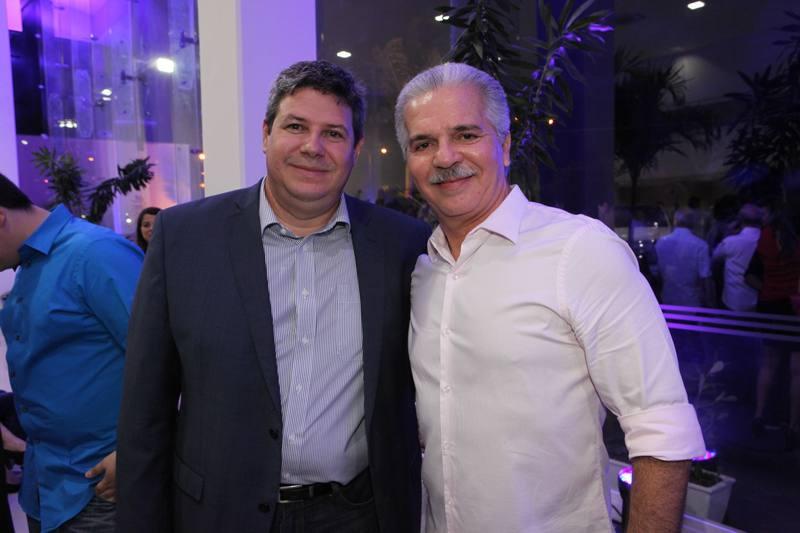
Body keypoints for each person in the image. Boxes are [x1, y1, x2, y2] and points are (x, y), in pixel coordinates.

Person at [115, 60, 430, 533]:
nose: (312, 147)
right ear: (266, 134)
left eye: (333, 134)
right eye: (296, 126)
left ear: (356, 148)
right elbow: (146, 408)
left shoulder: (402, 245)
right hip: (219, 514)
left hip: (357, 515)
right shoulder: (184, 237)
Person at [394, 63, 705, 532]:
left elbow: (661, 428)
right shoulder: (423, 271)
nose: (445, 156)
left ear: (504, 145)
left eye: (466, 135)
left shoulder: (580, 251)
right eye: (423, 143)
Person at [0, 173, 143, 532]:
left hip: (101, 484)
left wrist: (135, 448)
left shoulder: (95, 252)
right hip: (45, 483)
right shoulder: (29, 264)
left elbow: (166, 360)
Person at [747, 206, 800, 448]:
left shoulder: (766, 238)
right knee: (796, 370)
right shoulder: (796, 241)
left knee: (768, 363)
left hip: (770, 306)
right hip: (795, 308)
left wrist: (767, 291)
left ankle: (759, 415)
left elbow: (750, 275)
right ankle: (793, 425)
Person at [656, 208, 714, 307]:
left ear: (675, 221)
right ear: (694, 223)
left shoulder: (661, 242)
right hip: (692, 301)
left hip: (666, 299)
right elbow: (705, 278)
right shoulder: (701, 245)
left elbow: (658, 274)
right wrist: (710, 303)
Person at [712, 204, 763, 311]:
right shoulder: (767, 240)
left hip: (734, 300)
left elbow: (715, 257)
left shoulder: (731, 241)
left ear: (740, 221)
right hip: (760, 300)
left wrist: (727, 234)